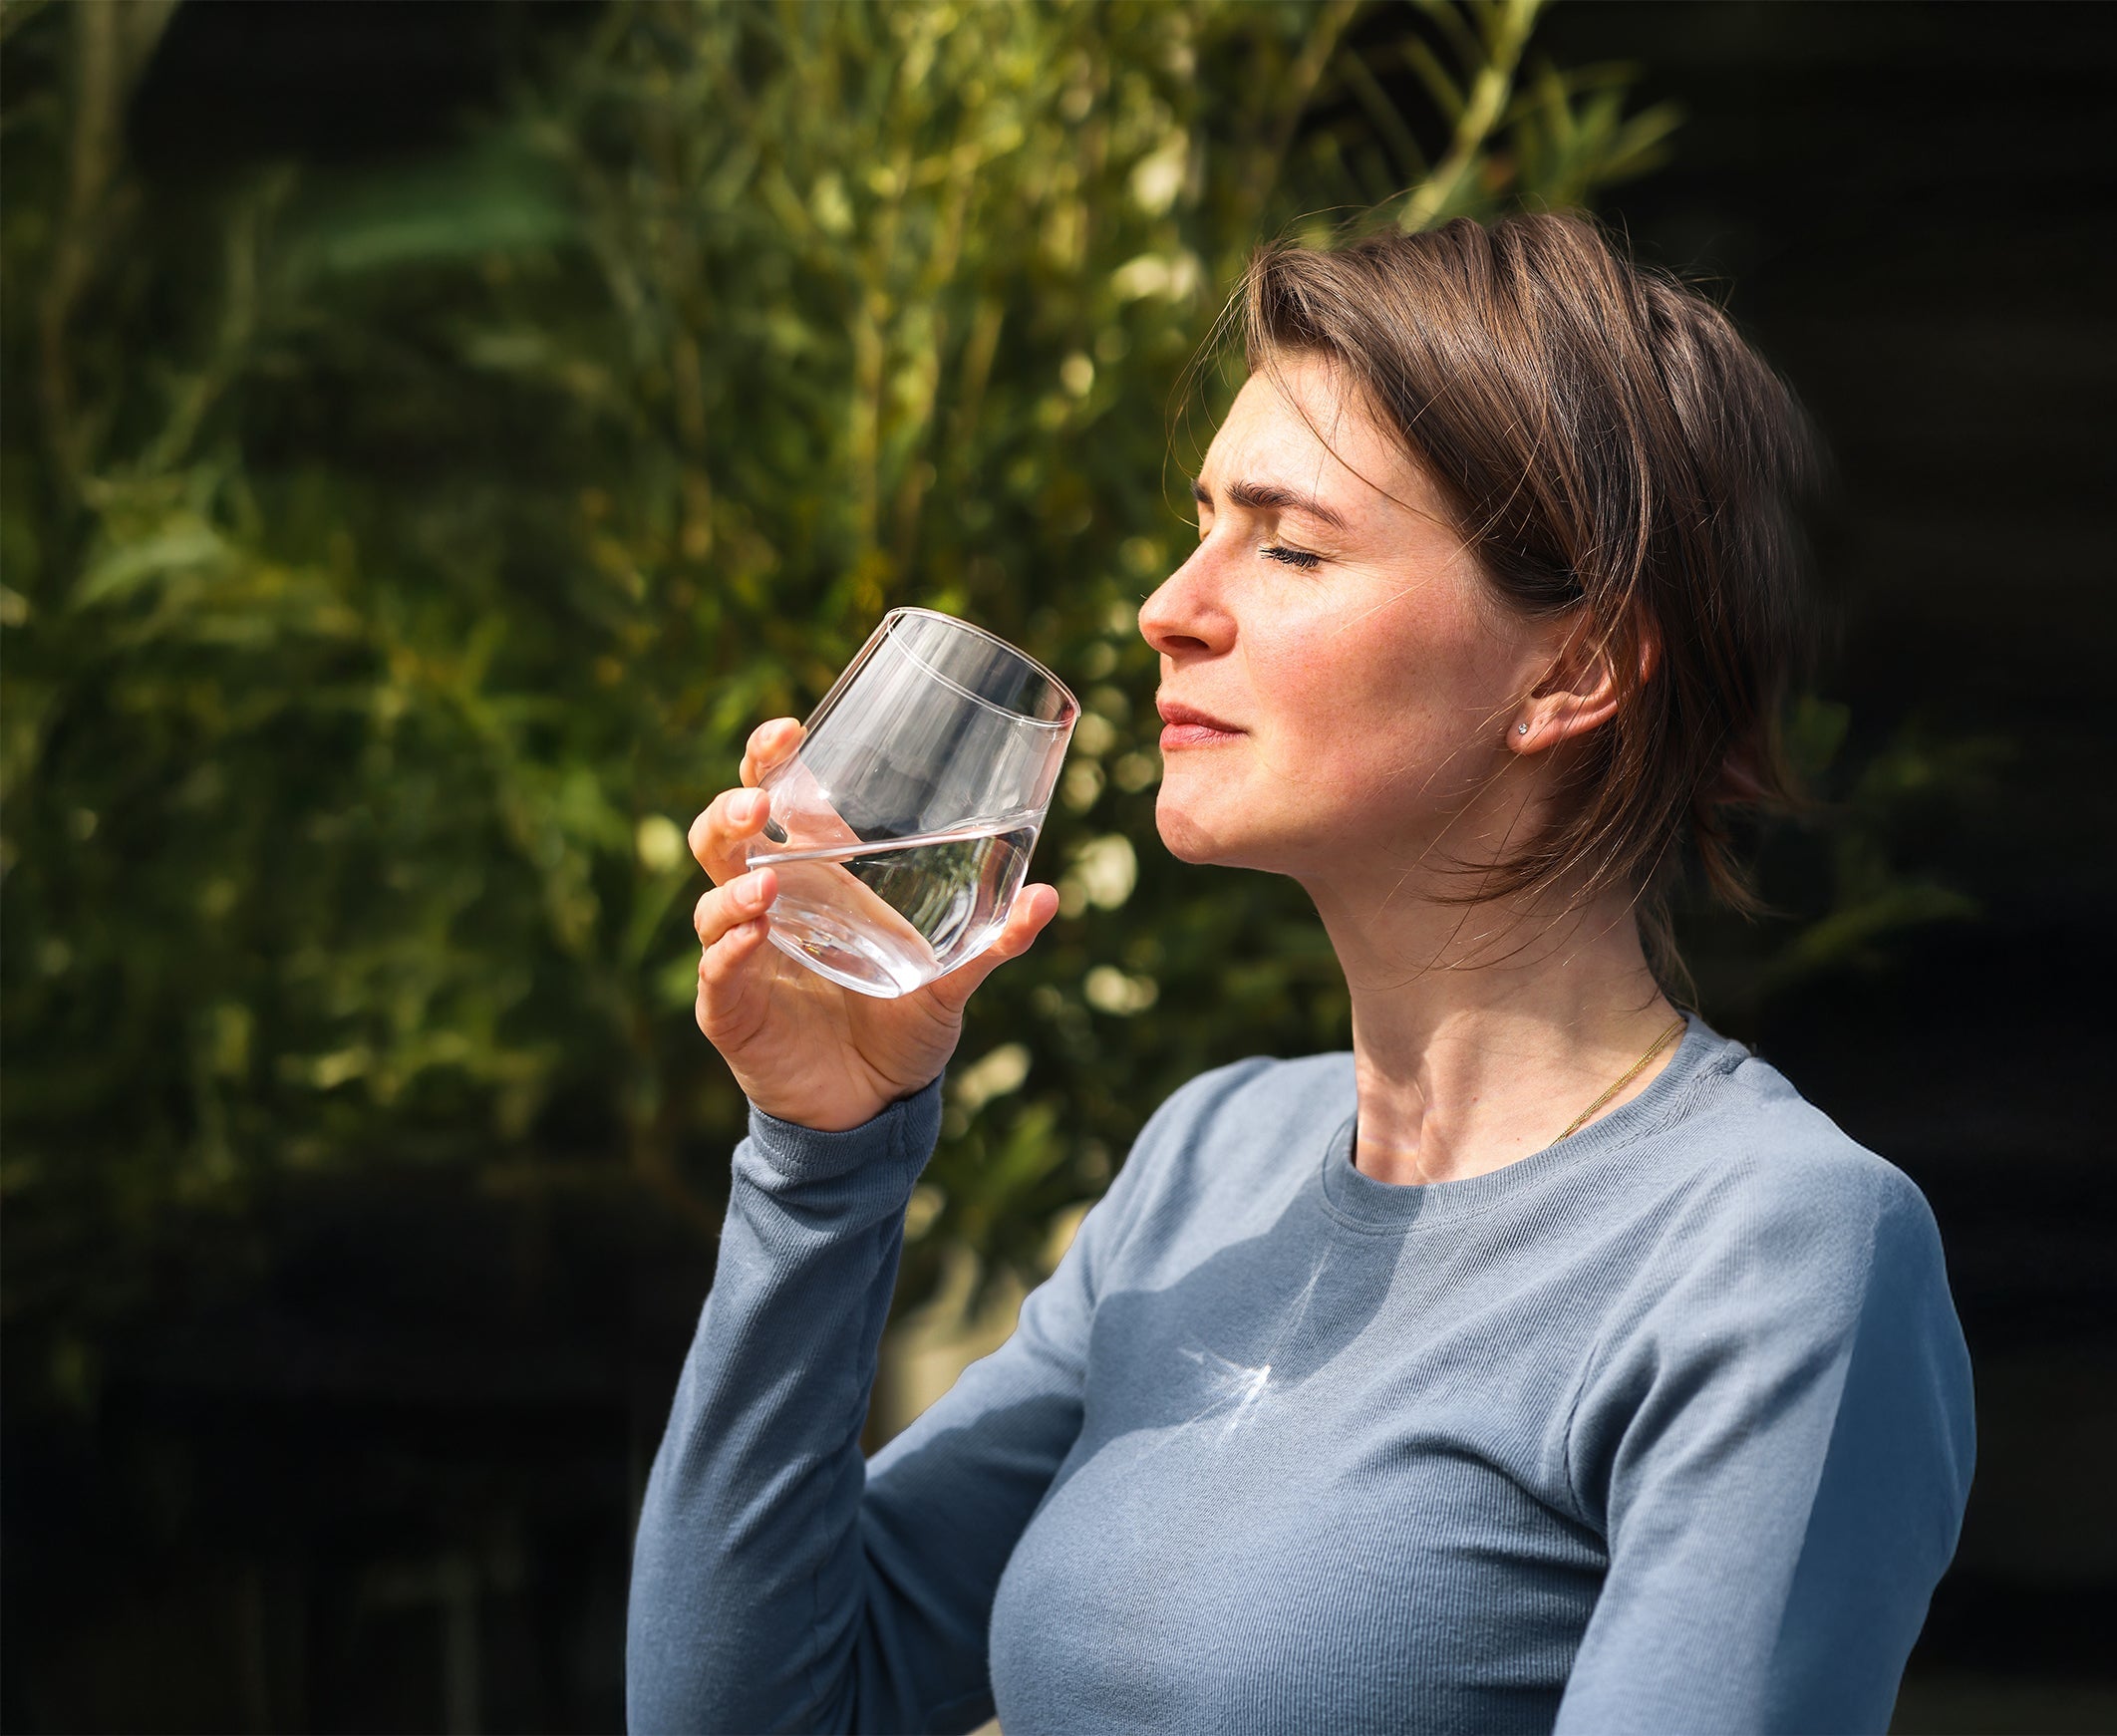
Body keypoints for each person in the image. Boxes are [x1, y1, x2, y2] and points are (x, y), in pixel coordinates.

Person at [627, 211, 1974, 1736]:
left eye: (1289, 543)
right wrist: (821, 1158)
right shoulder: (1216, 1158)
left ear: (1571, 670)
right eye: (1201, 520)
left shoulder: (1774, 1247)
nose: (1169, 607)